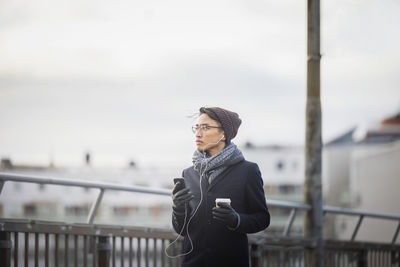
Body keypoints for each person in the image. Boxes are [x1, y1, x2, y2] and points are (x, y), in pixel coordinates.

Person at [171, 106, 270, 267]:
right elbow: (181, 230)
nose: (198, 133)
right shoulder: (188, 173)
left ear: (223, 134)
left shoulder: (248, 171)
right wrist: (178, 208)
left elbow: (262, 218)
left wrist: (236, 220)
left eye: (205, 127)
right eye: (196, 128)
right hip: (193, 262)